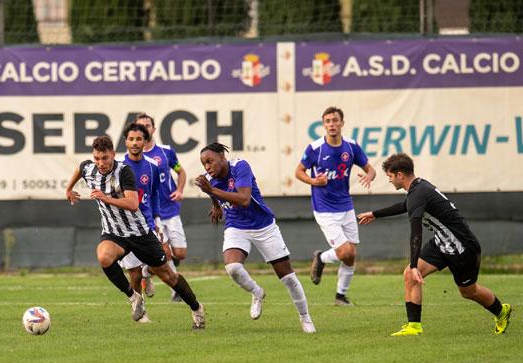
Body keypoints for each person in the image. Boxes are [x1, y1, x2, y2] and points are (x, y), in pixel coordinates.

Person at [357, 153, 512, 336]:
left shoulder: (418, 193)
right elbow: (405, 205)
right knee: (409, 275)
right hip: (442, 243)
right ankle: (414, 327)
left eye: (390, 176)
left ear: (400, 175)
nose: (390, 180)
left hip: (462, 248)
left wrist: (415, 264)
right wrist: (375, 214)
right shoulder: (418, 188)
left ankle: (501, 311)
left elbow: (416, 232)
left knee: (469, 291)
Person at [65, 135, 206, 329]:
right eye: (97, 158)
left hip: (138, 232)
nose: (101, 163)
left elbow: (132, 203)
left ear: (113, 155)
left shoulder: (124, 172)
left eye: (105, 158)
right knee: (104, 257)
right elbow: (81, 168)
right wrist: (69, 188)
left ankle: (197, 308)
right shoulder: (90, 168)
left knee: (168, 276)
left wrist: (106, 198)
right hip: (114, 232)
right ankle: (134, 297)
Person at [195, 143, 316, 333]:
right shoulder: (211, 179)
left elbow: (243, 199)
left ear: (221, 156)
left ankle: (305, 318)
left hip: (264, 226)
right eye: (204, 164)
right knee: (233, 268)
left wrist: (211, 192)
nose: (207, 167)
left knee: (288, 278)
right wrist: (216, 205)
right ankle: (257, 292)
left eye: (210, 161)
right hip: (236, 226)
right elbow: (215, 193)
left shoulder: (240, 166)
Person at [295, 106, 376, 306]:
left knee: (351, 255)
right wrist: (314, 181)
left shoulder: (351, 146)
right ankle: (322, 258)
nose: (332, 124)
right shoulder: (315, 148)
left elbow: (371, 169)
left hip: (346, 205)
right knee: (345, 252)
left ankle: (340, 296)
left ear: (342, 123)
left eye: (335, 120)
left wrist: (369, 176)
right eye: (328, 121)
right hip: (324, 208)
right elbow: (298, 172)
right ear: (323, 125)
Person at [136, 113, 188, 302]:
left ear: (153, 129)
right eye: (140, 126)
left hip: (172, 210)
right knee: (164, 252)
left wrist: (180, 189)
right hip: (152, 214)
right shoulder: (135, 158)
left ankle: (147, 269)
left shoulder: (166, 152)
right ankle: (177, 291)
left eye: (147, 125)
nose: (144, 128)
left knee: (180, 253)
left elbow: (180, 171)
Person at [116, 122, 162, 323]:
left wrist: (157, 221)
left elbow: (154, 196)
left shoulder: (152, 166)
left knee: (163, 260)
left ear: (145, 141)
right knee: (133, 272)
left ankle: (147, 273)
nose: (135, 143)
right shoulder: (117, 166)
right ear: (125, 141)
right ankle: (139, 308)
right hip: (125, 226)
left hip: (148, 224)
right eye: (131, 139)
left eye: (139, 139)